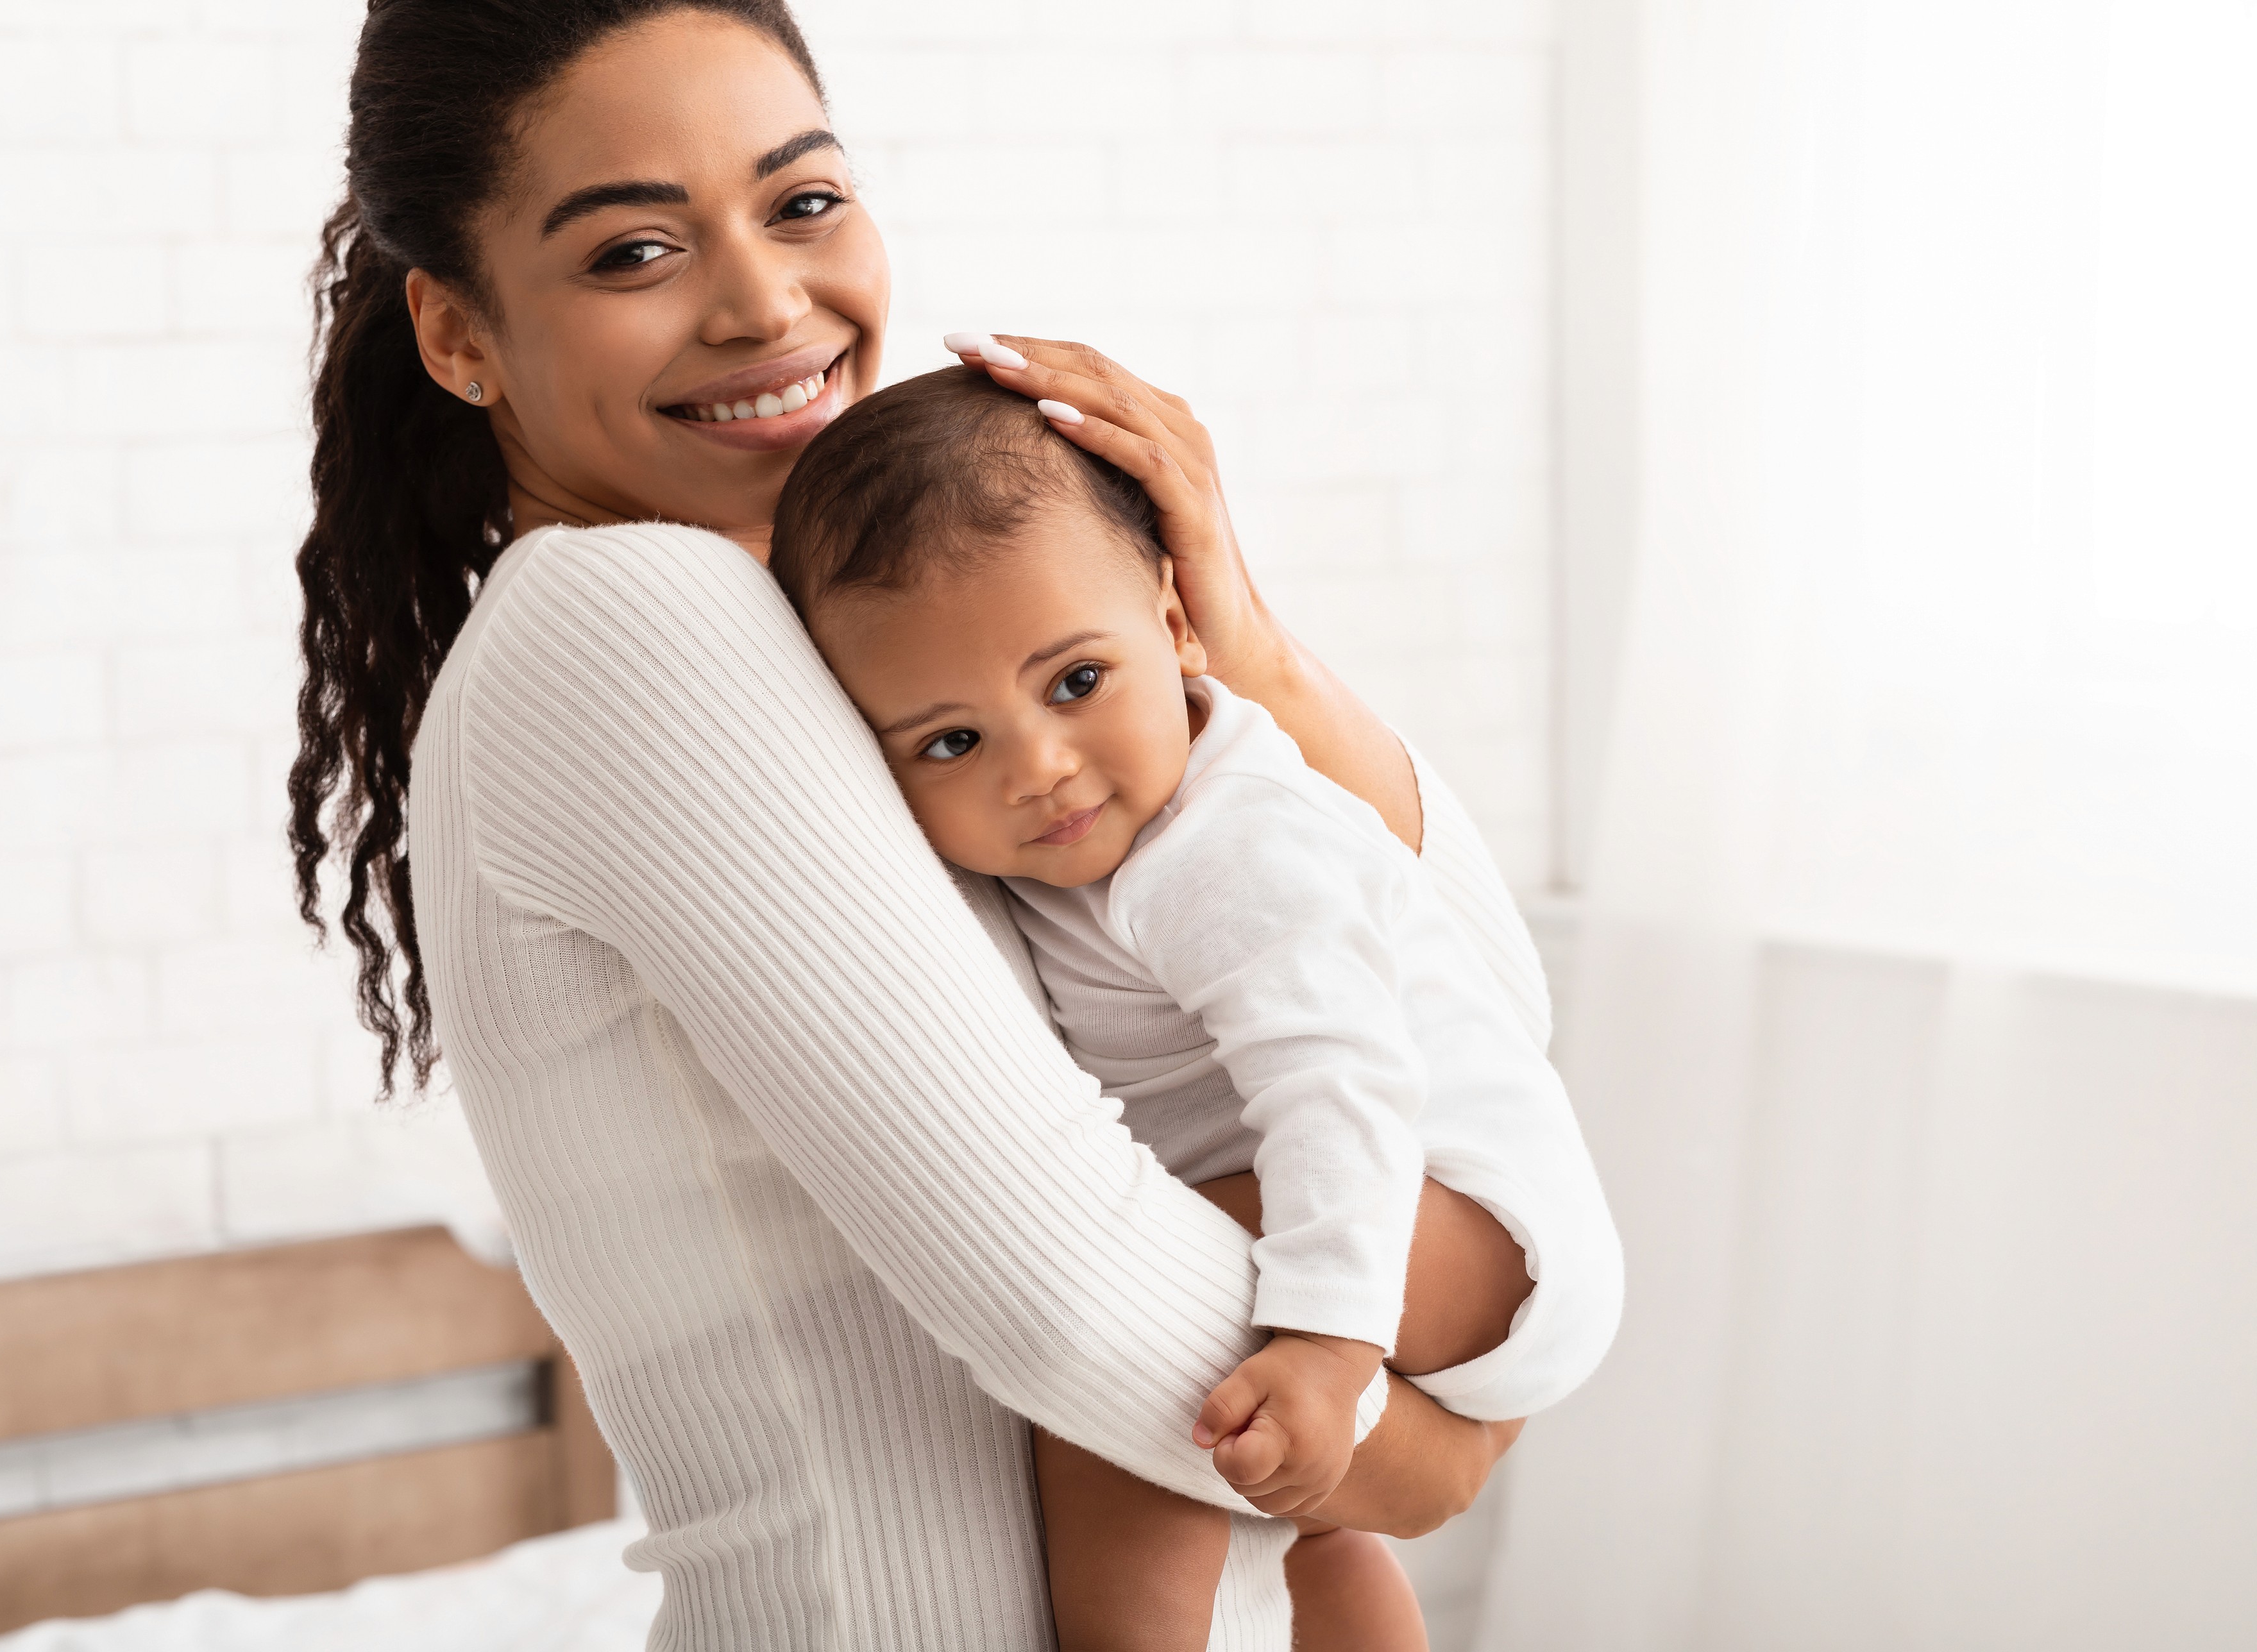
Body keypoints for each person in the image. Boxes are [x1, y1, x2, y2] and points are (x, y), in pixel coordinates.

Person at [290, 3, 1566, 1646]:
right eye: (632, 253)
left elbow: (1461, 1010)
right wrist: (1441, 1450)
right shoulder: (634, 619)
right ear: (459, 336)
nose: (765, 304)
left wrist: (1235, 641)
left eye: (803, 203)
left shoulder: (879, 655)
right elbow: (1070, 1295)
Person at [766, 367, 1621, 1649]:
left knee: (1128, 1356)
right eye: (951, 744)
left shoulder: (1228, 845)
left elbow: (1341, 1085)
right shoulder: (1080, 840)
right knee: (1307, 1517)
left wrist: (1332, 1351)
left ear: (1175, 625)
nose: (1037, 768)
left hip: (1471, 1214)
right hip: (1373, 1211)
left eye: (1074, 683)